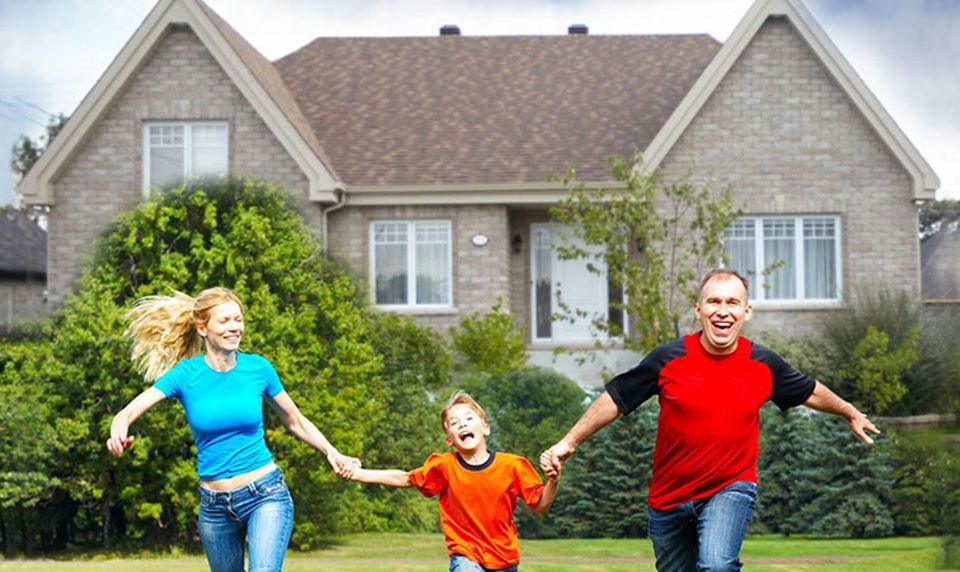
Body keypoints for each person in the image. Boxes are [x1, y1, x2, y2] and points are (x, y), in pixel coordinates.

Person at [540, 268, 880, 572]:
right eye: (714, 302)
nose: (722, 311)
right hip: (668, 498)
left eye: (733, 303)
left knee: (717, 565)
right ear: (699, 310)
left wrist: (849, 411)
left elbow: (809, 391)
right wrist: (568, 442)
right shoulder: (669, 359)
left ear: (746, 312)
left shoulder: (763, 364)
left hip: (730, 487)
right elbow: (617, 398)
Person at [106, 287, 358, 572]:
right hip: (214, 507)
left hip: (266, 493)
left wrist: (331, 451)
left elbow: (295, 420)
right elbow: (126, 413)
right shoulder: (186, 374)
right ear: (203, 328)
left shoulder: (258, 368)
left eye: (238, 320)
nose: (235, 327)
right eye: (224, 321)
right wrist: (119, 432)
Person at [343, 391, 560, 572]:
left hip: (504, 558)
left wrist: (553, 481)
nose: (462, 425)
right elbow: (406, 478)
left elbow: (541, 505)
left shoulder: (513, 466)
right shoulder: (444, 466)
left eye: (468, 419)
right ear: (450, 440)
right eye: (454, 423)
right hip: (465, 555)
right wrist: (361, 474)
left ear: (485, 427)